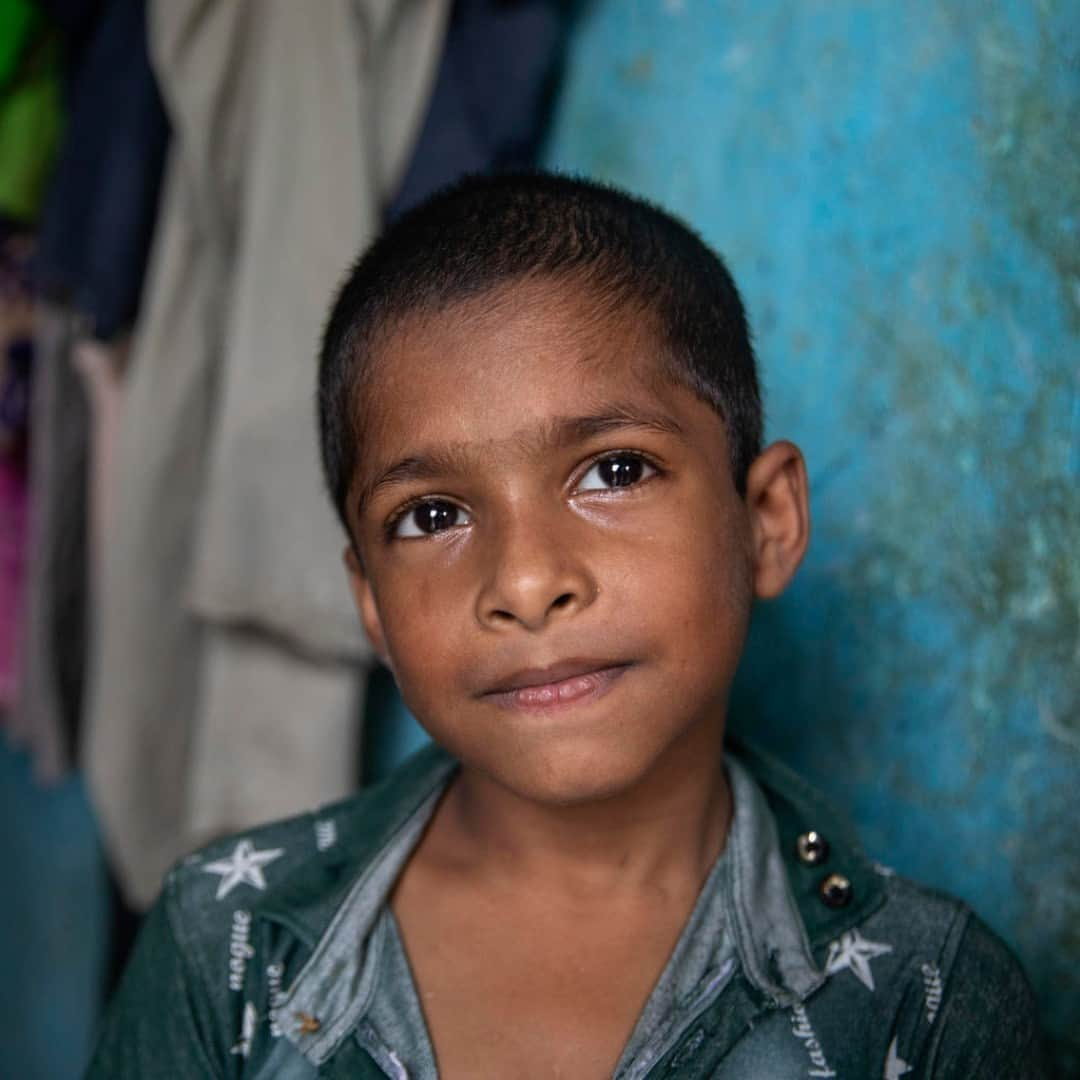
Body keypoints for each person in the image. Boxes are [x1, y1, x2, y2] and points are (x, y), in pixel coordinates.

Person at [87, 173, 1044, 1078]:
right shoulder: (227, 942)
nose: (526, 579)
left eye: (615, 471)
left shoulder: (926, 998)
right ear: (371, 602)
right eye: (432, 515)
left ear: (767, 522)